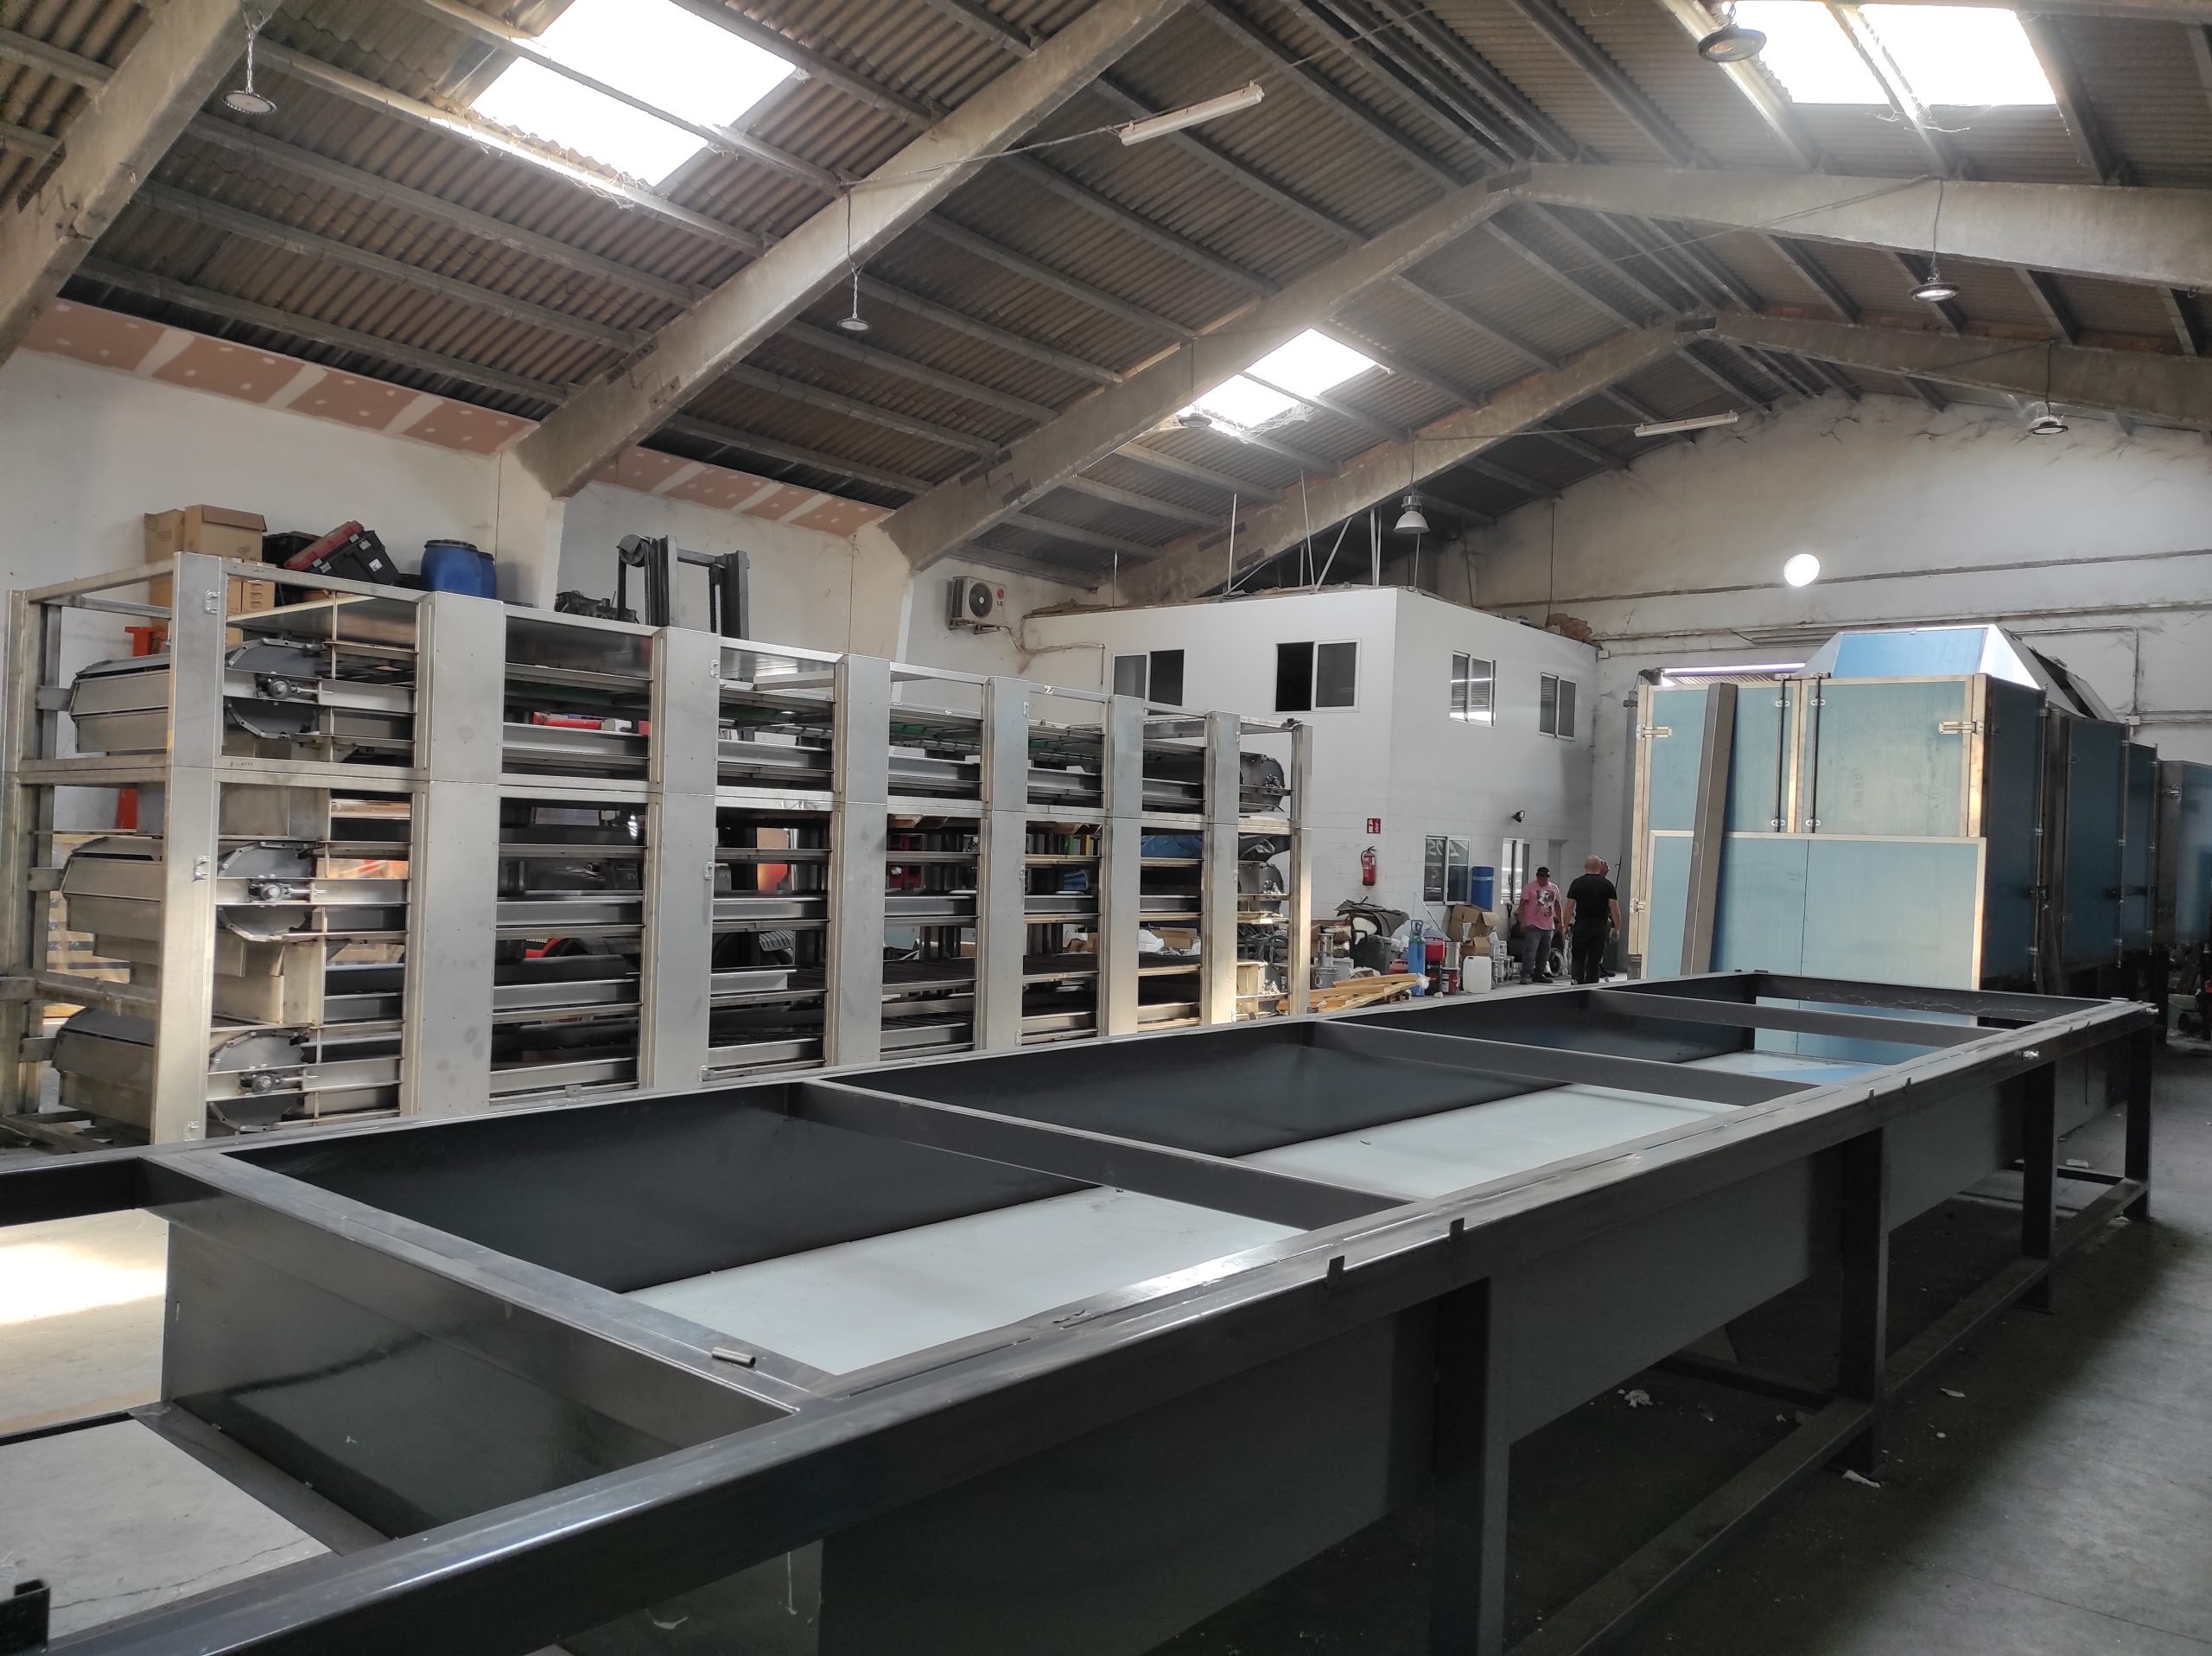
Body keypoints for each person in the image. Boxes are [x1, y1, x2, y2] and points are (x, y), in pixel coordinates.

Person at [1562, 855, 1621, 985]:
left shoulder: (1577, 883)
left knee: (1578, 958)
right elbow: (1614, 908)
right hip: (1599, 928)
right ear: (1599, 867)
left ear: (1585, 867)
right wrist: (1617, 928)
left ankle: (1576, 985)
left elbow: (1569, 907)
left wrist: (1564, 926)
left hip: (1581, 927)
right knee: (1594, 961)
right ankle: (1591, 988)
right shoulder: (1607, 885)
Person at [1515, 866, 1560, 983]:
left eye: (1545, 877)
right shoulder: (1529, 887)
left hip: (1548, 926)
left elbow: (1557, 905)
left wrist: (1561, 922)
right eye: (1540, 876)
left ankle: (1539, 974)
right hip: (1533, 925)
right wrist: (1523, 922)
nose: (1542, 879)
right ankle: (1526, 974)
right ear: (1537, 876)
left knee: (1545, 952)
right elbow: (1522, 905)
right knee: (1530, 951)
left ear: (1548, 877)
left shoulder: (1554, 888)